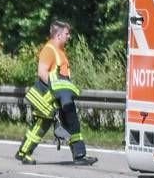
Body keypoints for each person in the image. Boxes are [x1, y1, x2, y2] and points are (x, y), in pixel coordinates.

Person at [17, 21, 96, 166]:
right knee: (40, 126)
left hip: (62, 97)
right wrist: (57, 91)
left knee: (73, 123)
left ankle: (79, 155)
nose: (69, 36)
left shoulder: (61, 52)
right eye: (67, 34)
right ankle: (24, 153)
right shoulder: (49, 50)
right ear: (58, 35)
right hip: (49, 97)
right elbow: (42, 73)